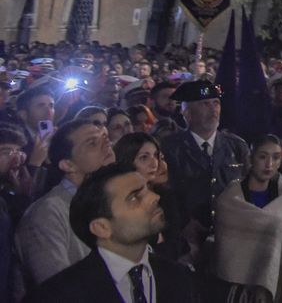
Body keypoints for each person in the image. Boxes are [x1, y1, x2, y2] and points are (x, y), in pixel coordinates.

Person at [22, 163, 218, 303]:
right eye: (134, 197)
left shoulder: (179, 277)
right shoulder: (59, 295)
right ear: (101, 227)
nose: (154, 198)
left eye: (148, 189)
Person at [15, 118, 116, 290]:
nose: (106, 145)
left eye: (105, 138)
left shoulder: (110, 203)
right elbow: (58, 290)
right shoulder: (47, 213)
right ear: (68, 165)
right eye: (93, 143)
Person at [214, 134, 282, 303]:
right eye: (263, 157)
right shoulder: (230, 199)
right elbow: (228, 249)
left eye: (276, 158)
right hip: (240, 291)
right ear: (251, 158)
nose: (269, 164)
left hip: (278, 284)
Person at [160, 79, 249, 246]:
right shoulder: (170, 148)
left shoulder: (237, 146)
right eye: (205, 104)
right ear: (186, 113)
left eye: (216, 103)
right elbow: (166, 194)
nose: (213, 109)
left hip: (233, 236)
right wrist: (185, 223)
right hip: (186, 238)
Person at [114, 131, 190, 264]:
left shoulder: (165, 196)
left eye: (155, 155)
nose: (154, 163)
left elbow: (174, 242)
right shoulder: (118, 202)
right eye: (144, 158)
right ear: (127, 161)